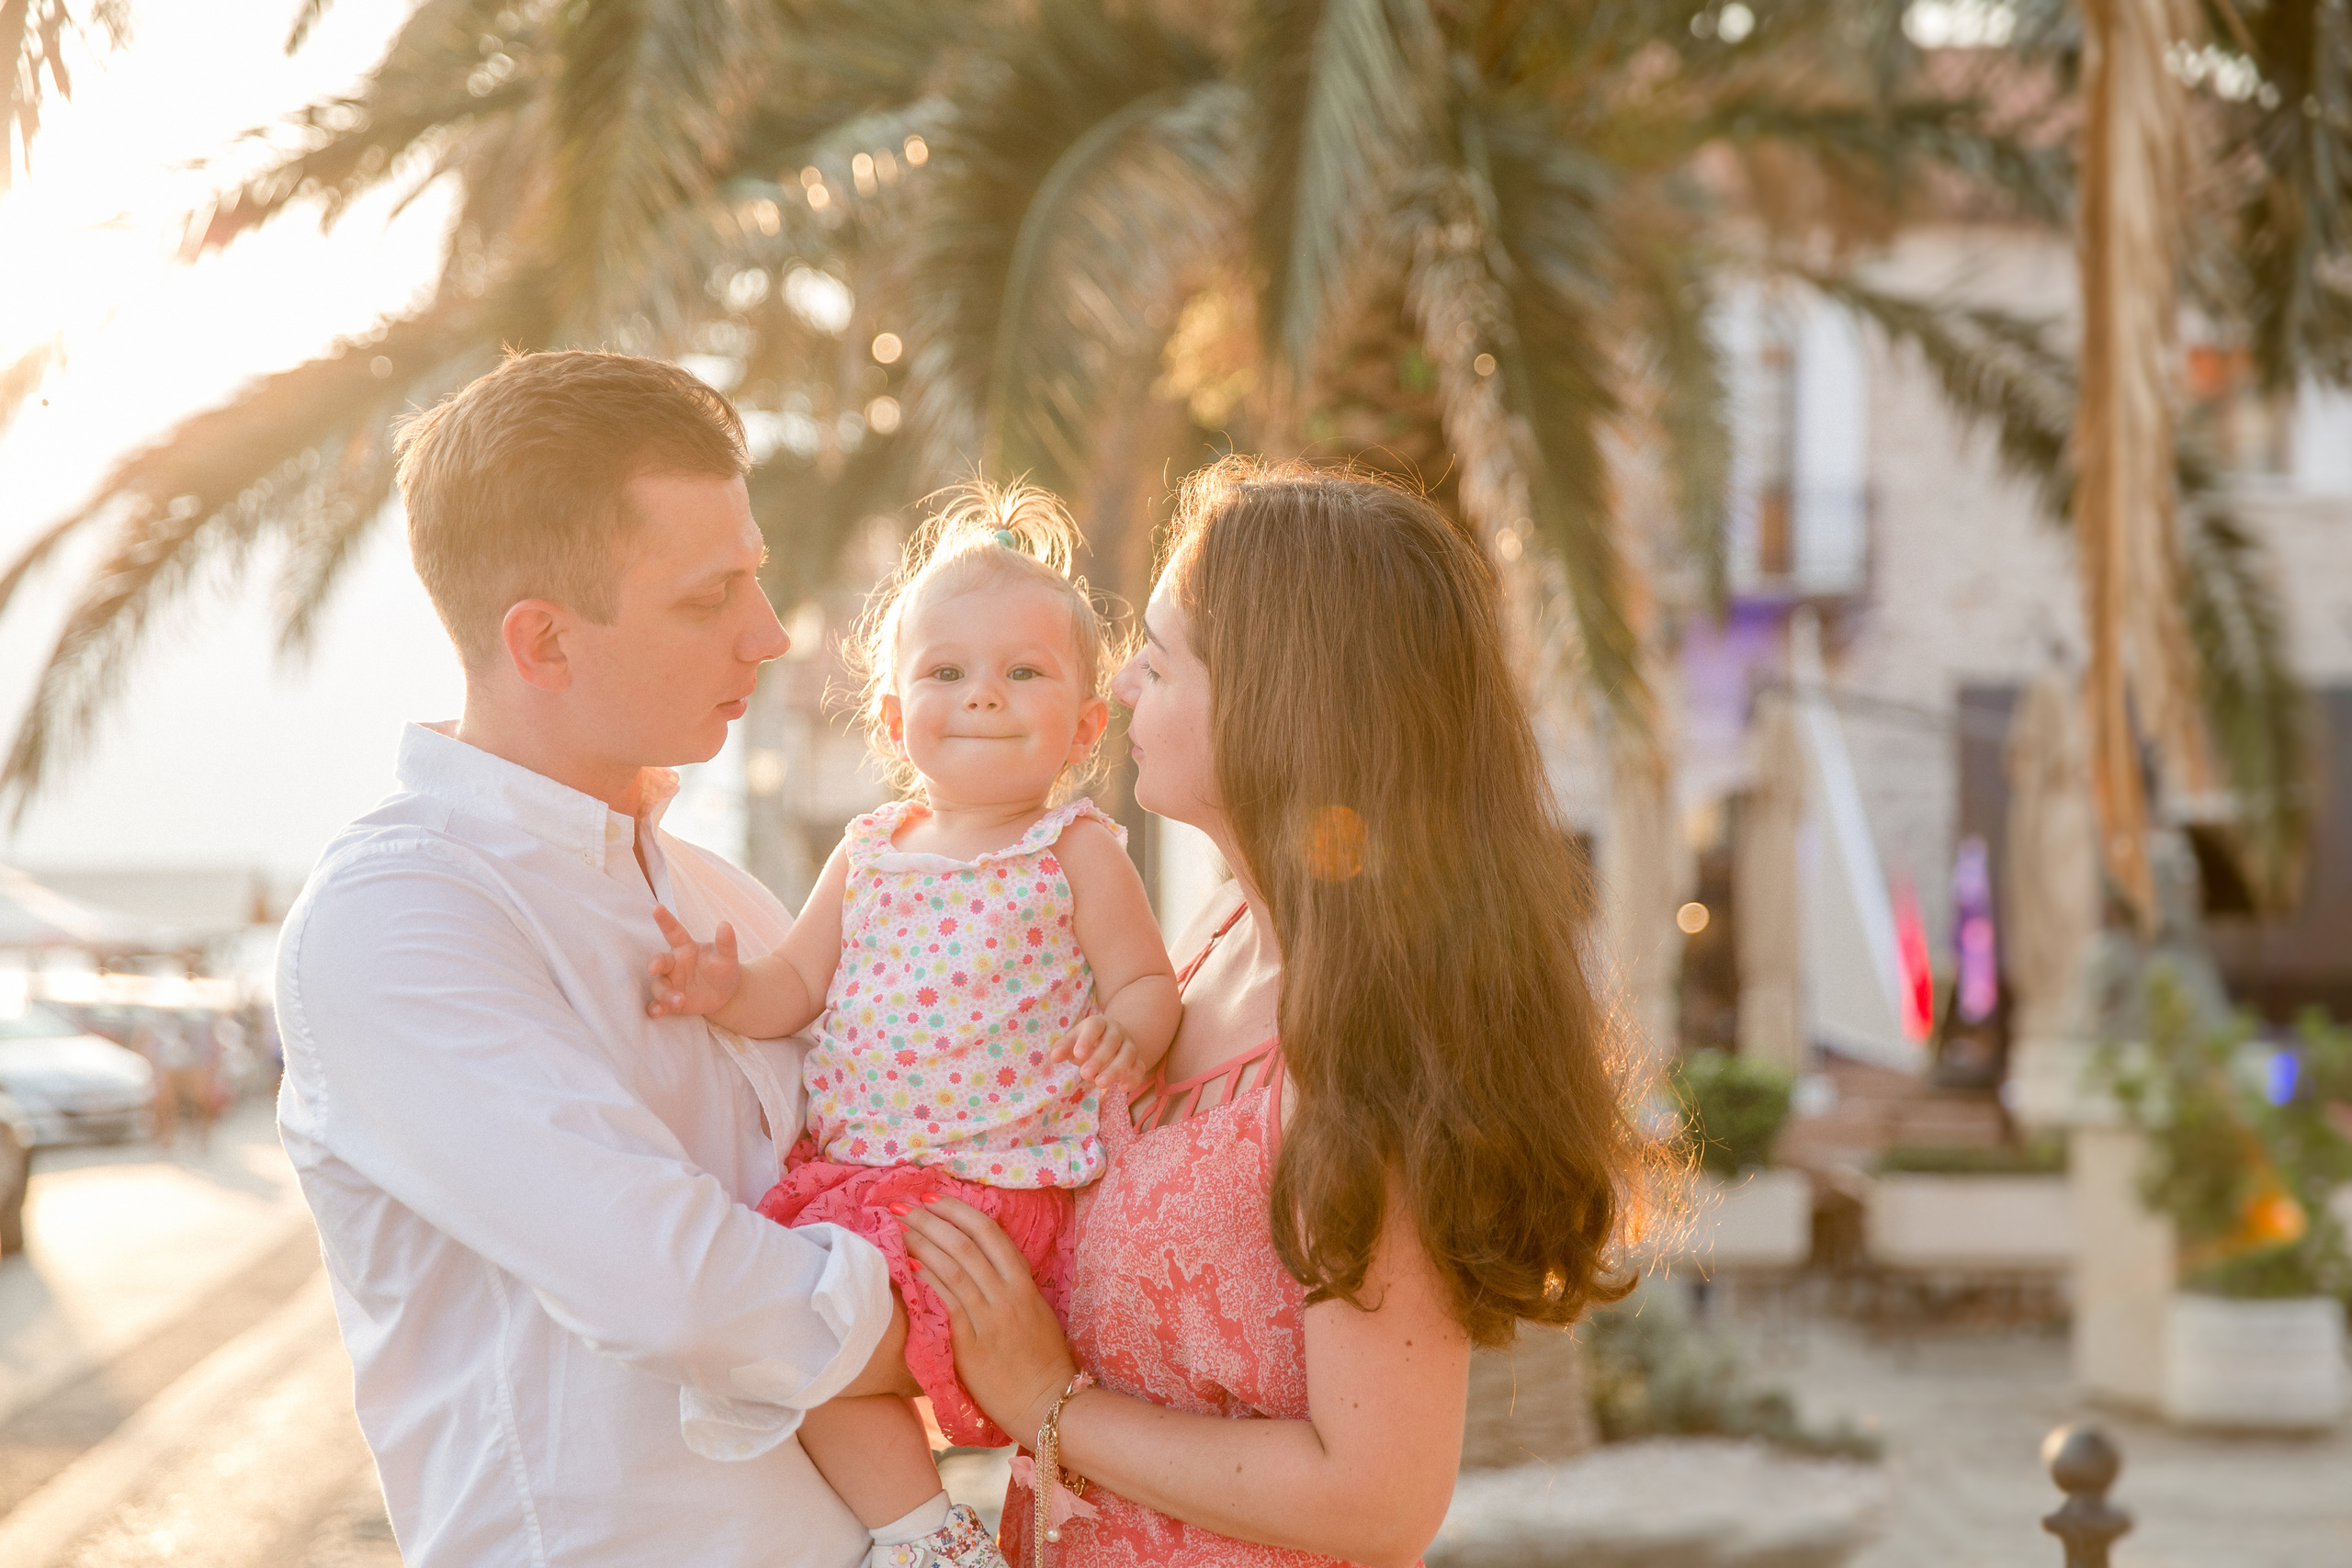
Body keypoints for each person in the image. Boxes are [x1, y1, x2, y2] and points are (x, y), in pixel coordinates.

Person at [897, 459, 1654, 1568]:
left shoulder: (1373, 1044)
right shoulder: (1205, 945)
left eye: (1156, 664)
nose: (1121, 696)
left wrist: (1049, 1404)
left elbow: (1377, 1502)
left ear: (1277, 700)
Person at [276, 351, 915, 1568]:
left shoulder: (725, 896)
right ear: (544, 642)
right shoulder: (396, 916)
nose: (770, 635)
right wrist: (972, 1339)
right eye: (707, 596)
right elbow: (676, 1285)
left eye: (758, 579)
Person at [644, 488, 1179, 1568]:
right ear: (893, 717)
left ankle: (922, 1536)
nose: (982, 695)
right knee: (805, 1354)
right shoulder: (870, 848)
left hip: (994, 1189)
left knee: (820, 1346)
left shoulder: (1073, 849)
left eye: (1022, 672)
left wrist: (1131, 1031)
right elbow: (793, 984)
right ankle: (922, 1534)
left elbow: (1146, 982)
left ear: (1083, 725)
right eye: (945, 672)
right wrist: (720, 988)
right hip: (856, 1180)